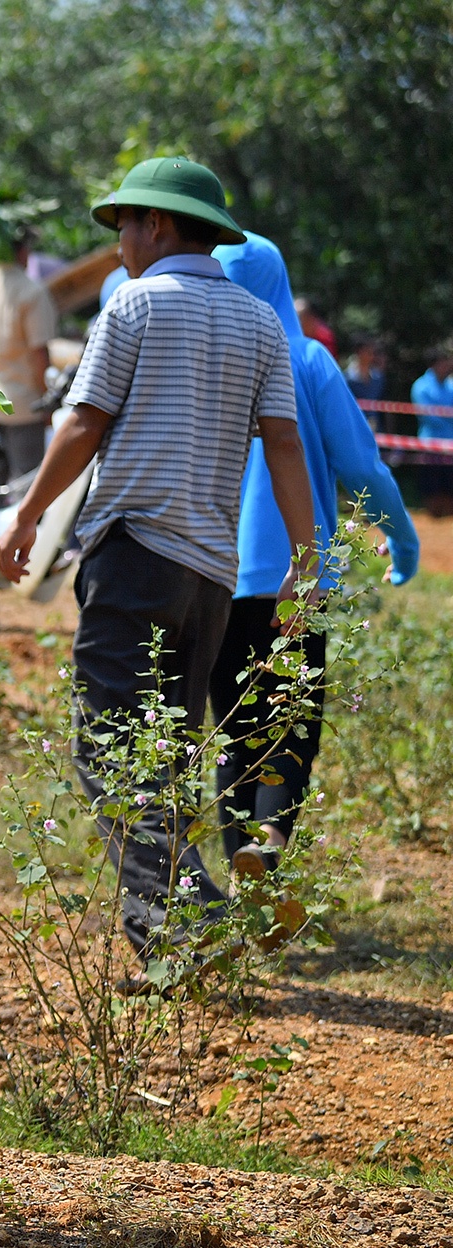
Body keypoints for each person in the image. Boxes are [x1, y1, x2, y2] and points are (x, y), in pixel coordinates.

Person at [0, 158, 313, 960]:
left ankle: (184, 925)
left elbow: (83, 422)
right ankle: (187, 928)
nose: (121, 246)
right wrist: (307, 557)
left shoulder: (137, 303)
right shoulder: (260, 323)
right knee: (162, 757)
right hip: (211, 575)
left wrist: (27, 514)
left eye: (126, 227)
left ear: (159, 224)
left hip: (135, 554)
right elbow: (283, 444)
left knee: (109, 747)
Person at [208, 233, 418, 892]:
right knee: (291, 716)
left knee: (234, 722)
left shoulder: (202, 359)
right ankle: (269, 841)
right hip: (295, 574)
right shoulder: (306, 358)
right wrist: (404, 539)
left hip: (208, 569)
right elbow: (361, 466)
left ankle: (239, 867)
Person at [0, 220, 59, 477]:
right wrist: (48, 406)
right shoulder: (32, 292)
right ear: (21, 249)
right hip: (24, 406)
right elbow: (39, 355)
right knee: (24, 484)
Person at [410, 343, 453, 517]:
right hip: (430, 444)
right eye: (444, 361)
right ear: (434, 364)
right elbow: (426, 415)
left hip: (450, 446)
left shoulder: (450, 385)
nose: (448, 365)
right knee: (432, 487)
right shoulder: (421, 386)